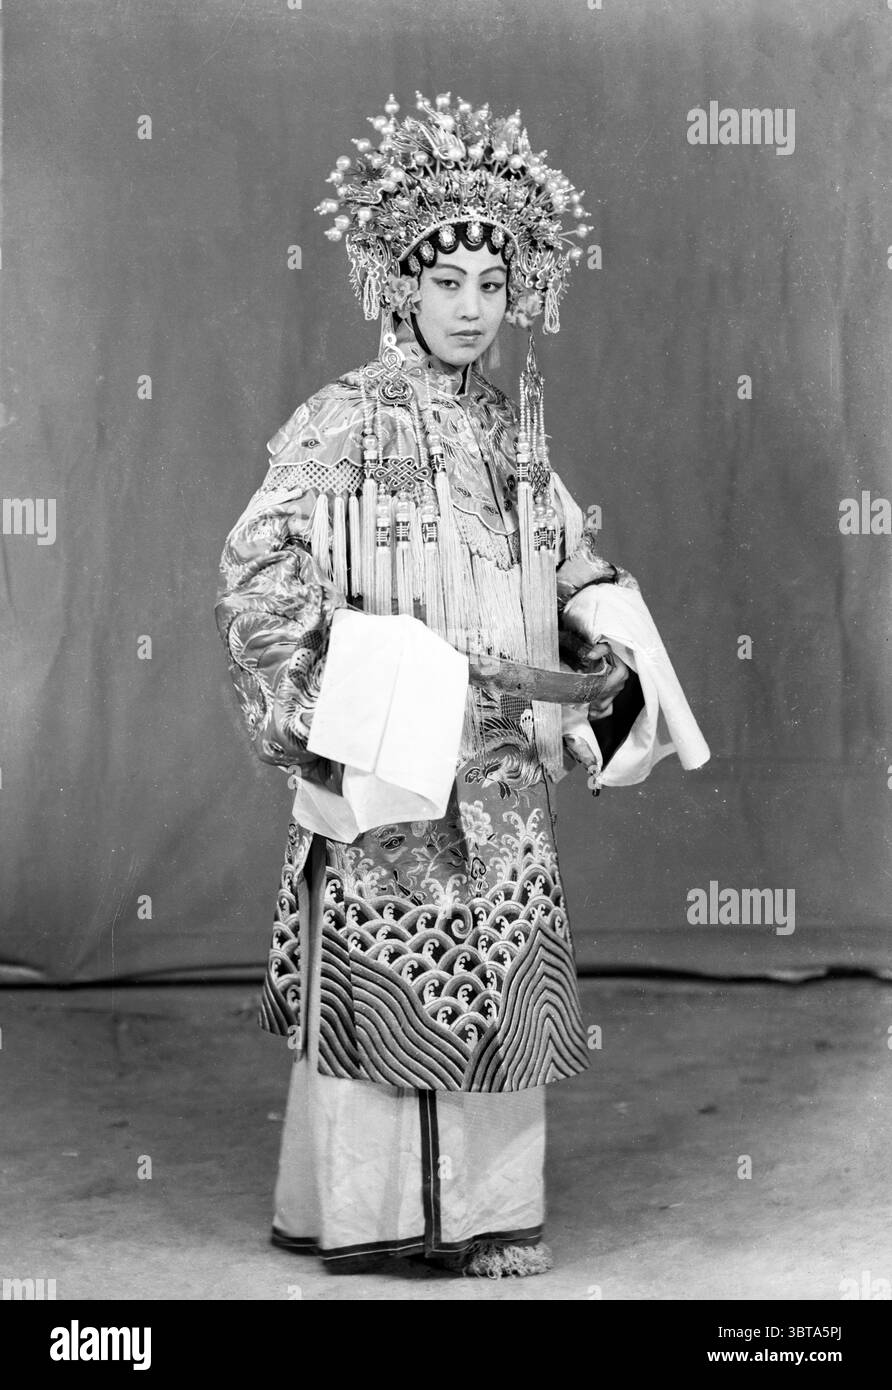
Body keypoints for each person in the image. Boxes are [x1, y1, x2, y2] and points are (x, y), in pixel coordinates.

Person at [214, 92, 698, 1278]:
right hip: (388, 749)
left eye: (492, 281)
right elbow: (254, 567)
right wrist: (343, 688)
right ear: (399, 286)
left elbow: (569, 554)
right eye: (448, 283)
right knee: (388, 968)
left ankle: (484, 1217)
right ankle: (371, 1219)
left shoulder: (509, 429)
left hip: (492, 770)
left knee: (494, 975)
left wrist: (603, 631)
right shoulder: (341, 418)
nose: (473, 308)